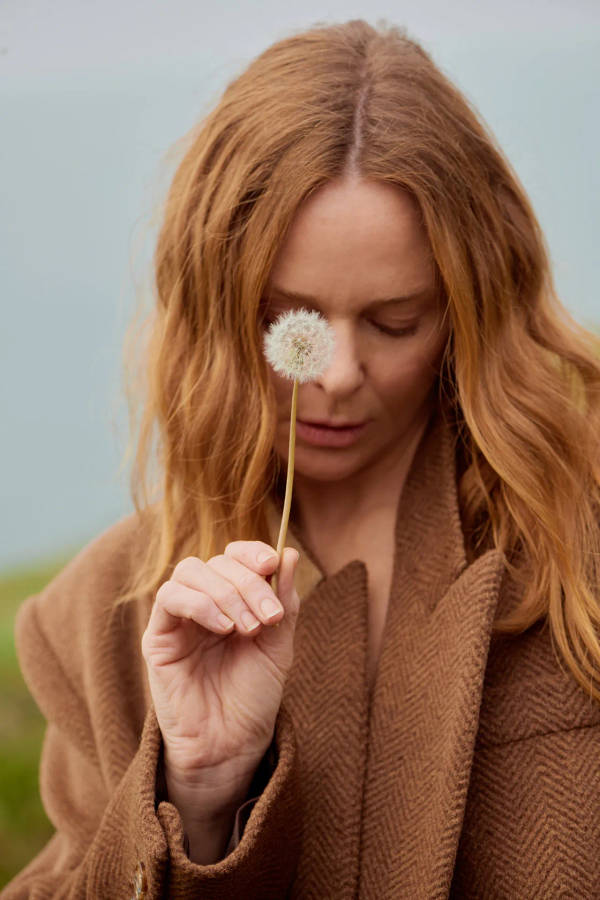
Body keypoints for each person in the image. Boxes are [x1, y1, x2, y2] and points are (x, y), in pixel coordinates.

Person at [4, 17, 600, 899]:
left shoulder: (576, 541)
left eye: (398, 322)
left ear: (472, 306)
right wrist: (197, 798)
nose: (340, 375)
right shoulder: (96, 618)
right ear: (212, 302)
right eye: (294, 323)